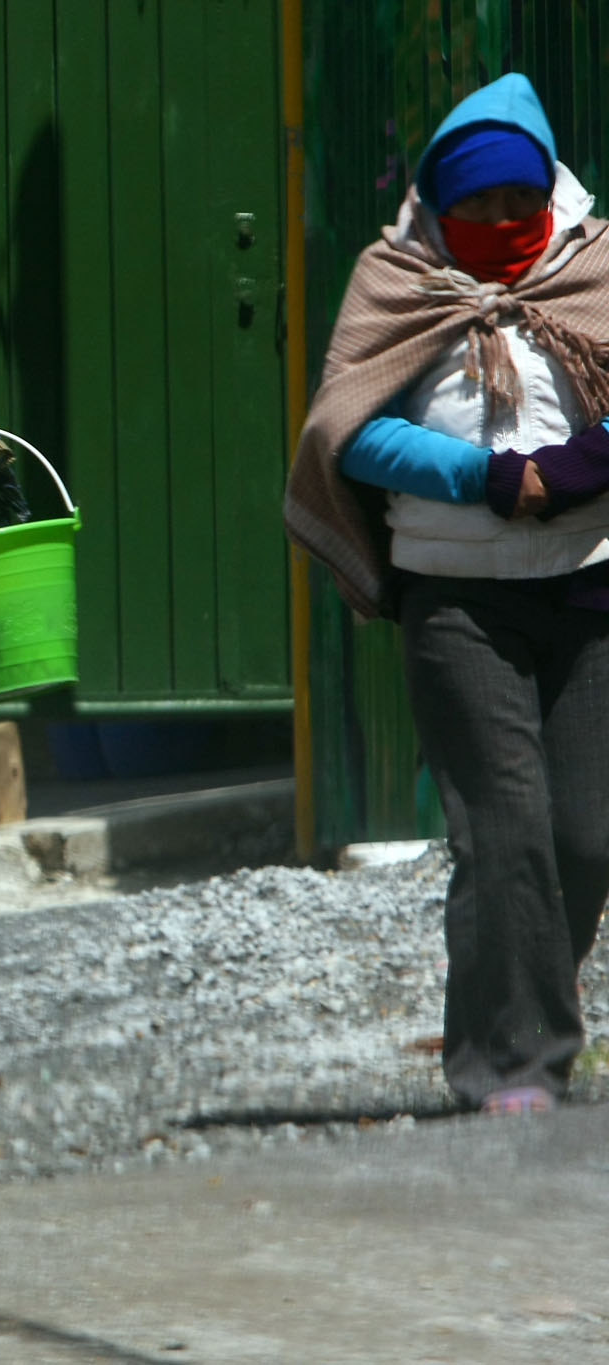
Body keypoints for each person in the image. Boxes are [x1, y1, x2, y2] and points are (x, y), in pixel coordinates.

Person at [286, 75, 609, 1117]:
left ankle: (514, 1017)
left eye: (518, 202)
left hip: (587, 588)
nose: (502, 225)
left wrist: (575, 465)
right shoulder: (395, 280)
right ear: (437, 202)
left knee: (583, 836)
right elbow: (352, 428)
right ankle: (512, 1065)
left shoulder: (593, 268)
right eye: (477, 206)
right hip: (457, 600)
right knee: (501, 830)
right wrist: (483, 477)